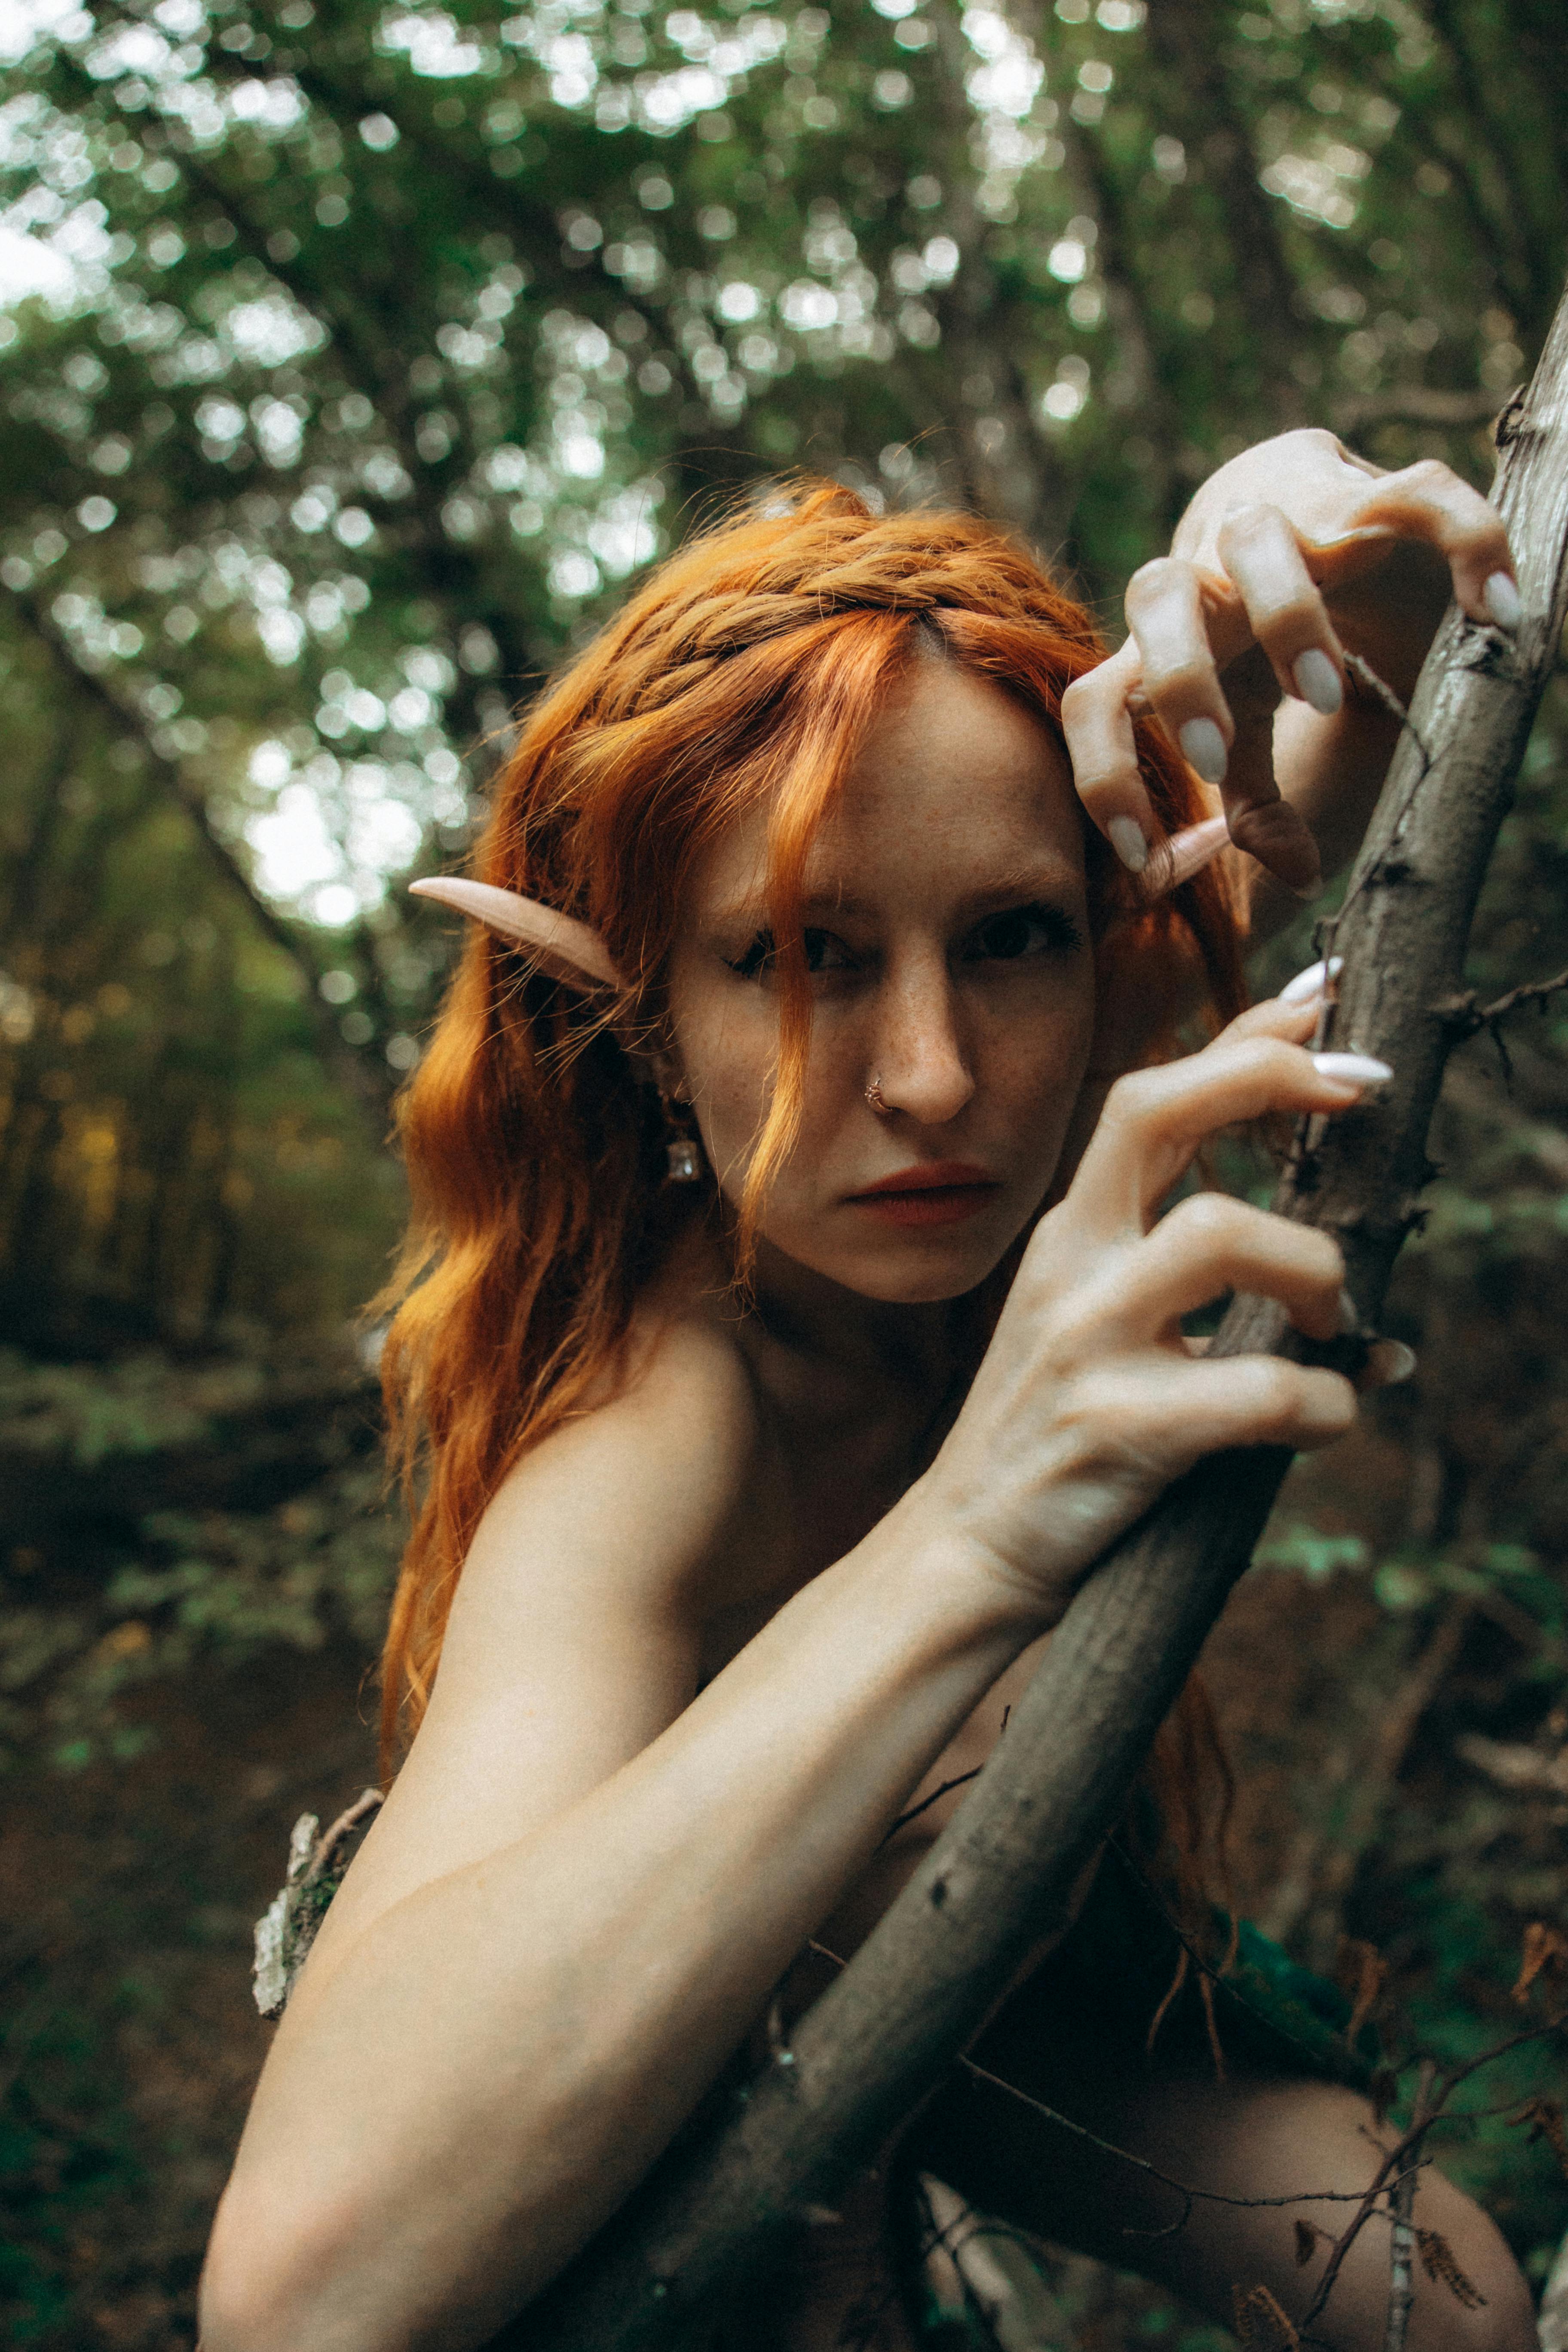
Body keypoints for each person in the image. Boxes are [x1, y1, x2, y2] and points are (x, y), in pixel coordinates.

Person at [200, 430, 1538, 2352]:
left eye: (1008, 938)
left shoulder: (1017, 1094)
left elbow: (1304, 797)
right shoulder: (667, 1414)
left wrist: (1374, 592)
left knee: (1449, 2299)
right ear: (647, 1025)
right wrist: (981, 1528)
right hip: (645, 2127)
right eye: (802, 958)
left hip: (1006, 1963)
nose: (930, 1076)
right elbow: (296, 2296)